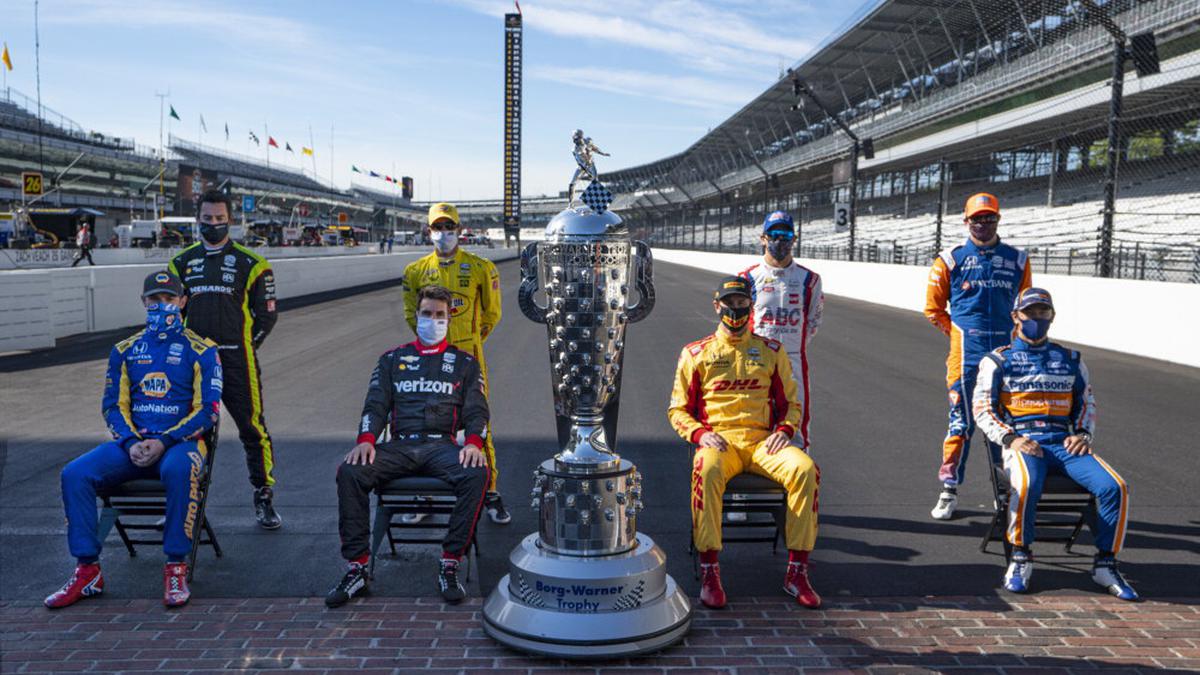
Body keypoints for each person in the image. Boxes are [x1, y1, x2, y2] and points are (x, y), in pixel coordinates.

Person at [45, 271, 222, 609]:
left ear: (183, 302)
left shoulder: (203, 350)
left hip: (180, 445)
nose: (162, 306)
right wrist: (130, 442)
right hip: (134, 445)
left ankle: (175, 567)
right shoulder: (125, 350)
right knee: (75, 474)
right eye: (154, 300)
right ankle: (87, 572)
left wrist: (165, 442)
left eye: (169, 299)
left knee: (178, 470)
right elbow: (112, 406)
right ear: (144, 303)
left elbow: (208, 412)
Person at [326, 285, 490, 607]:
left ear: (449, 318)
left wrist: (473, 443)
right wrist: (366, 440)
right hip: (399, 446)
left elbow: (477, 410)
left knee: (477, 474)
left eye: (439, 315)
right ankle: (357, 567)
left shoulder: (465, 363)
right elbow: (375, 405)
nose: (433, 320)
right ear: (416, 316)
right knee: (350, 471)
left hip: (442, 447)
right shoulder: (392, 359)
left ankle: (450, 561)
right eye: (427, 313)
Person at [668, 276, 821, 610]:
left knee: (806, 469)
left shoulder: (772, 351)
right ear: (716, 306)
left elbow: (791, 404)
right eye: (728, 304)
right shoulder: (696, 353)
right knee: (704, 470)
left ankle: (797, 573)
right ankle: (710, 570)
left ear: (751, 306)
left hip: (764, 443)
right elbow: (677, 410)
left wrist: (784, 430)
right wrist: (700, 434)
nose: (735, 311)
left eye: (741, 304)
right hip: (720, 443)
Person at [974, 288, 1136, 600]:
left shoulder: (1071, 358)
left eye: (1043, 313)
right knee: (1026, 483)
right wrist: (1012, 438)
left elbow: (1086, 402)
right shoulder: (997, 360)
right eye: (1030, 312)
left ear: (1052, 316)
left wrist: (1083, 435)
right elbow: (982, 408)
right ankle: (1021, 556)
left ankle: (1106, 563)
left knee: (1115, 486)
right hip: (1023, 441)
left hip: (1064, 442)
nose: (1036, 319)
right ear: (1016, 317)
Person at [169, 190, 281, 529]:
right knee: (185, 431)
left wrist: (246, 345)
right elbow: (173, 315)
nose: (213, 225)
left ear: (230, 220)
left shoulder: (254, 264)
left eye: (219, 220)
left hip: (237, 360)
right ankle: (182, 501)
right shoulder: (181, 263)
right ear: (198, 220)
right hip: (194, 363)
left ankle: (263, 496)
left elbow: (268, 317)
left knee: (252, 429)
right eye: (207, 220)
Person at [924, 193, 1032, 520]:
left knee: (1007, 425)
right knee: (961, 424)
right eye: (977, 219)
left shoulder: (1017, 259)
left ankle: (1007, 493)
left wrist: (1012, 343)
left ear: (999, 220)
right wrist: (959, 335)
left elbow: (1025, 309)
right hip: (964, 358)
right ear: (965, 221)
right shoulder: (950, 259)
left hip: (1005, 358)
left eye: (989, 218)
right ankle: (949, 490)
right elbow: (933, 309)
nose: (983, 224)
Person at [401, 202, 508, 524]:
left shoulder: (481, 267)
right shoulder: (415, 271)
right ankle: (424, 494)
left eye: (449, 227)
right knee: (425, 424)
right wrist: (433, 343)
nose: (443, 233)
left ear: (459, 230)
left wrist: (470, 343)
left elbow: (493, 313)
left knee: (479, 425)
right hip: (428, 357)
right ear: (428, 230)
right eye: (438, 227)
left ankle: (490, 492)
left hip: (469, 357)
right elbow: (411, 312)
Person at [737, 210, 823, 448]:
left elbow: (814, 321)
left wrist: (791, 348)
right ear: (763, 238)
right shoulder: (747, 278)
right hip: (755, 359)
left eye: (785, 235)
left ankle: (798, 470)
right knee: (752, 419)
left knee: (796, 425)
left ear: (794, 239)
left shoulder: (810, 280)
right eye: (774, 234)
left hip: (793, 359)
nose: (779, 241)